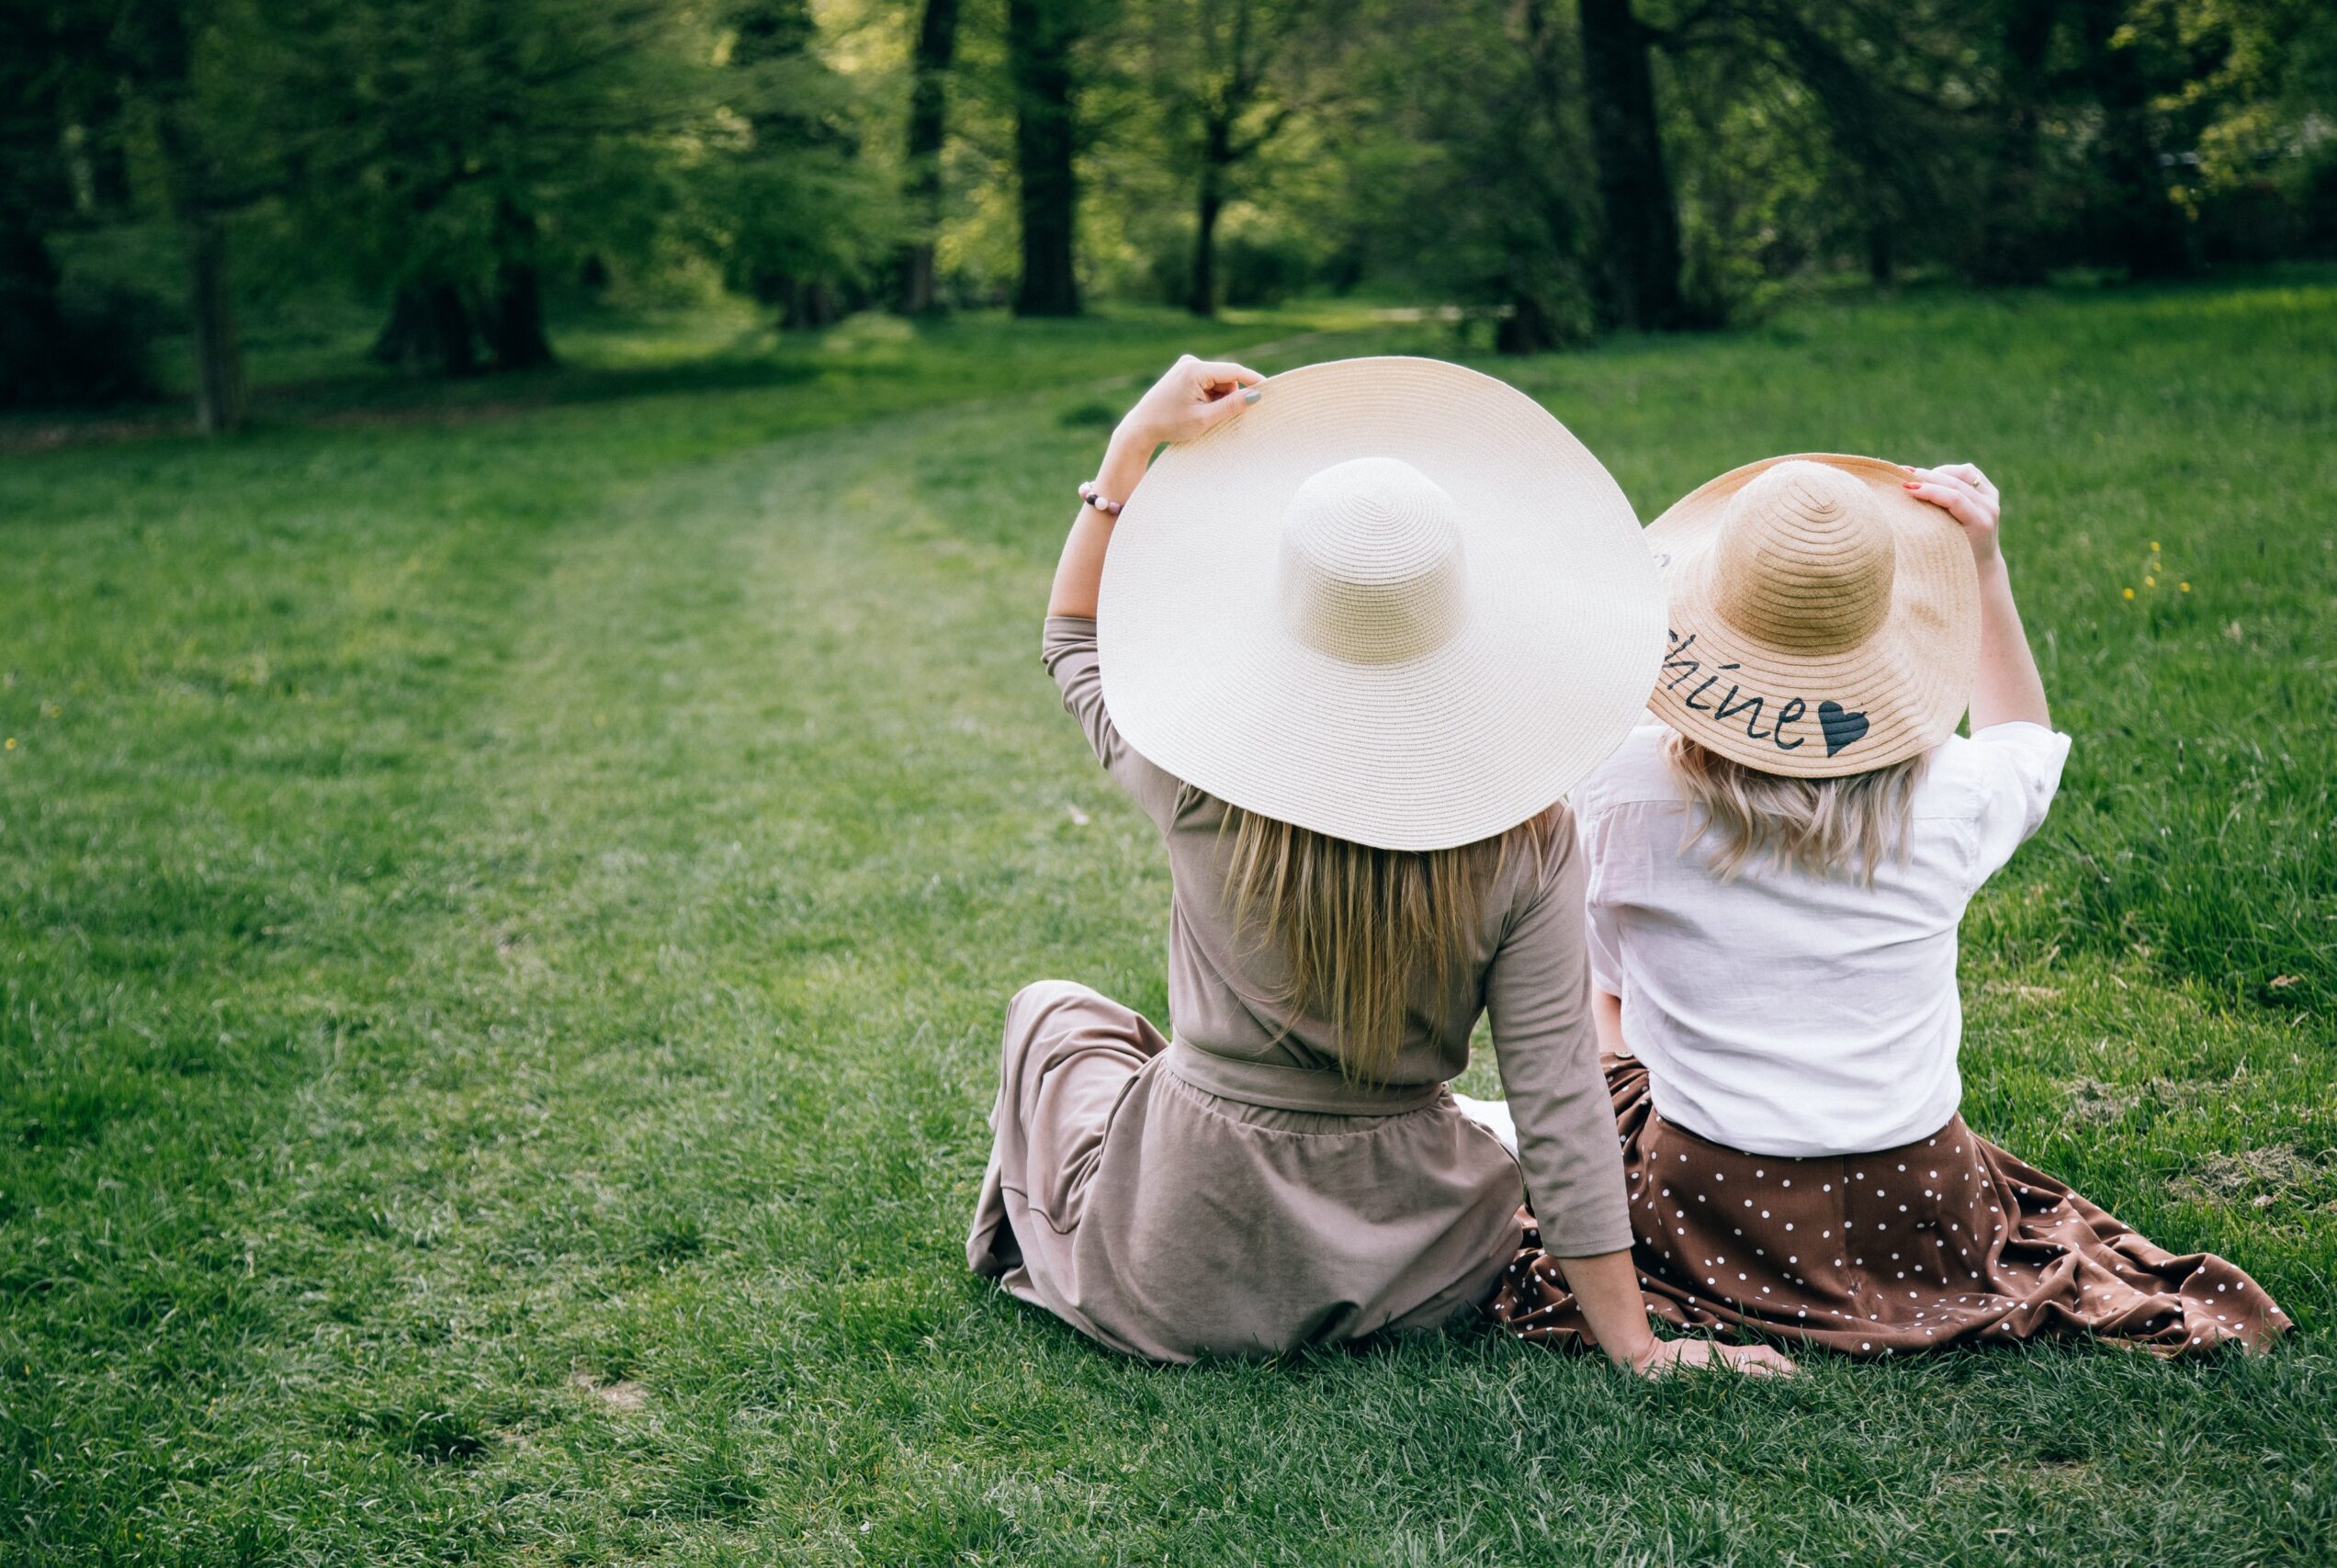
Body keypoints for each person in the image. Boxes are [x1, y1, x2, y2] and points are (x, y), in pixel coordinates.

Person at [967, 353, 1793, 1375]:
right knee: (1481, 1131)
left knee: (1057, 1015)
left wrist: (1127, 449)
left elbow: (1072, 640)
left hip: (1174, 1262)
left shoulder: (1190, 779)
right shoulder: (1530, 835)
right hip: (1415, 1266)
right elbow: (1557, 1098)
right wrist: (1638, 1347)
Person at [1491, 455, 2289, 1356]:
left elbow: (1609, 972)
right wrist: (1984, 565)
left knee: (1613, 993)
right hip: (1920, 1194)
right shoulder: (1955, 792)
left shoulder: (1618, 789)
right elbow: (2024, 743)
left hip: (1711, 1197)